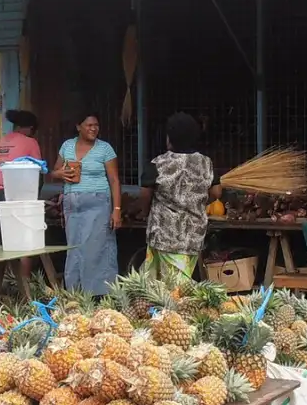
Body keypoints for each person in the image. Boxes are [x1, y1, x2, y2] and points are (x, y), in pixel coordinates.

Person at [139, 112, 220, 283]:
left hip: (163, 235)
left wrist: (145, 212)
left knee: (163, 285)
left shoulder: (158, 163)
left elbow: (145, 194)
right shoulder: (206, 163)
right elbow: (216, 193)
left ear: (169, 138)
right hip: (193, 236)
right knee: (180, 282)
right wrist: (197, 202)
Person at [55, 113, 121, 296]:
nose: (93, 128)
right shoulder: (67, 146)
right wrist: (60, 174)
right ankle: (75, 293)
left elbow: (114, 180)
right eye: (89, 125)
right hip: (72, 205)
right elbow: (53, 172)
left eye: (96, 125)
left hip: (98, 204)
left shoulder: (105, 149)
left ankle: (101, 294)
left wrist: (116, 210)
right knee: (74, 248)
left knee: (96, 248)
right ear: (78, 126)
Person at [0, 109, 42, 246]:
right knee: (25, 241)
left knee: (2, 242)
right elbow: (38, 171)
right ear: (30, 128)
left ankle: (1, 268)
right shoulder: (30, 142)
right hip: (20, 196)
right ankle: (21, 269)